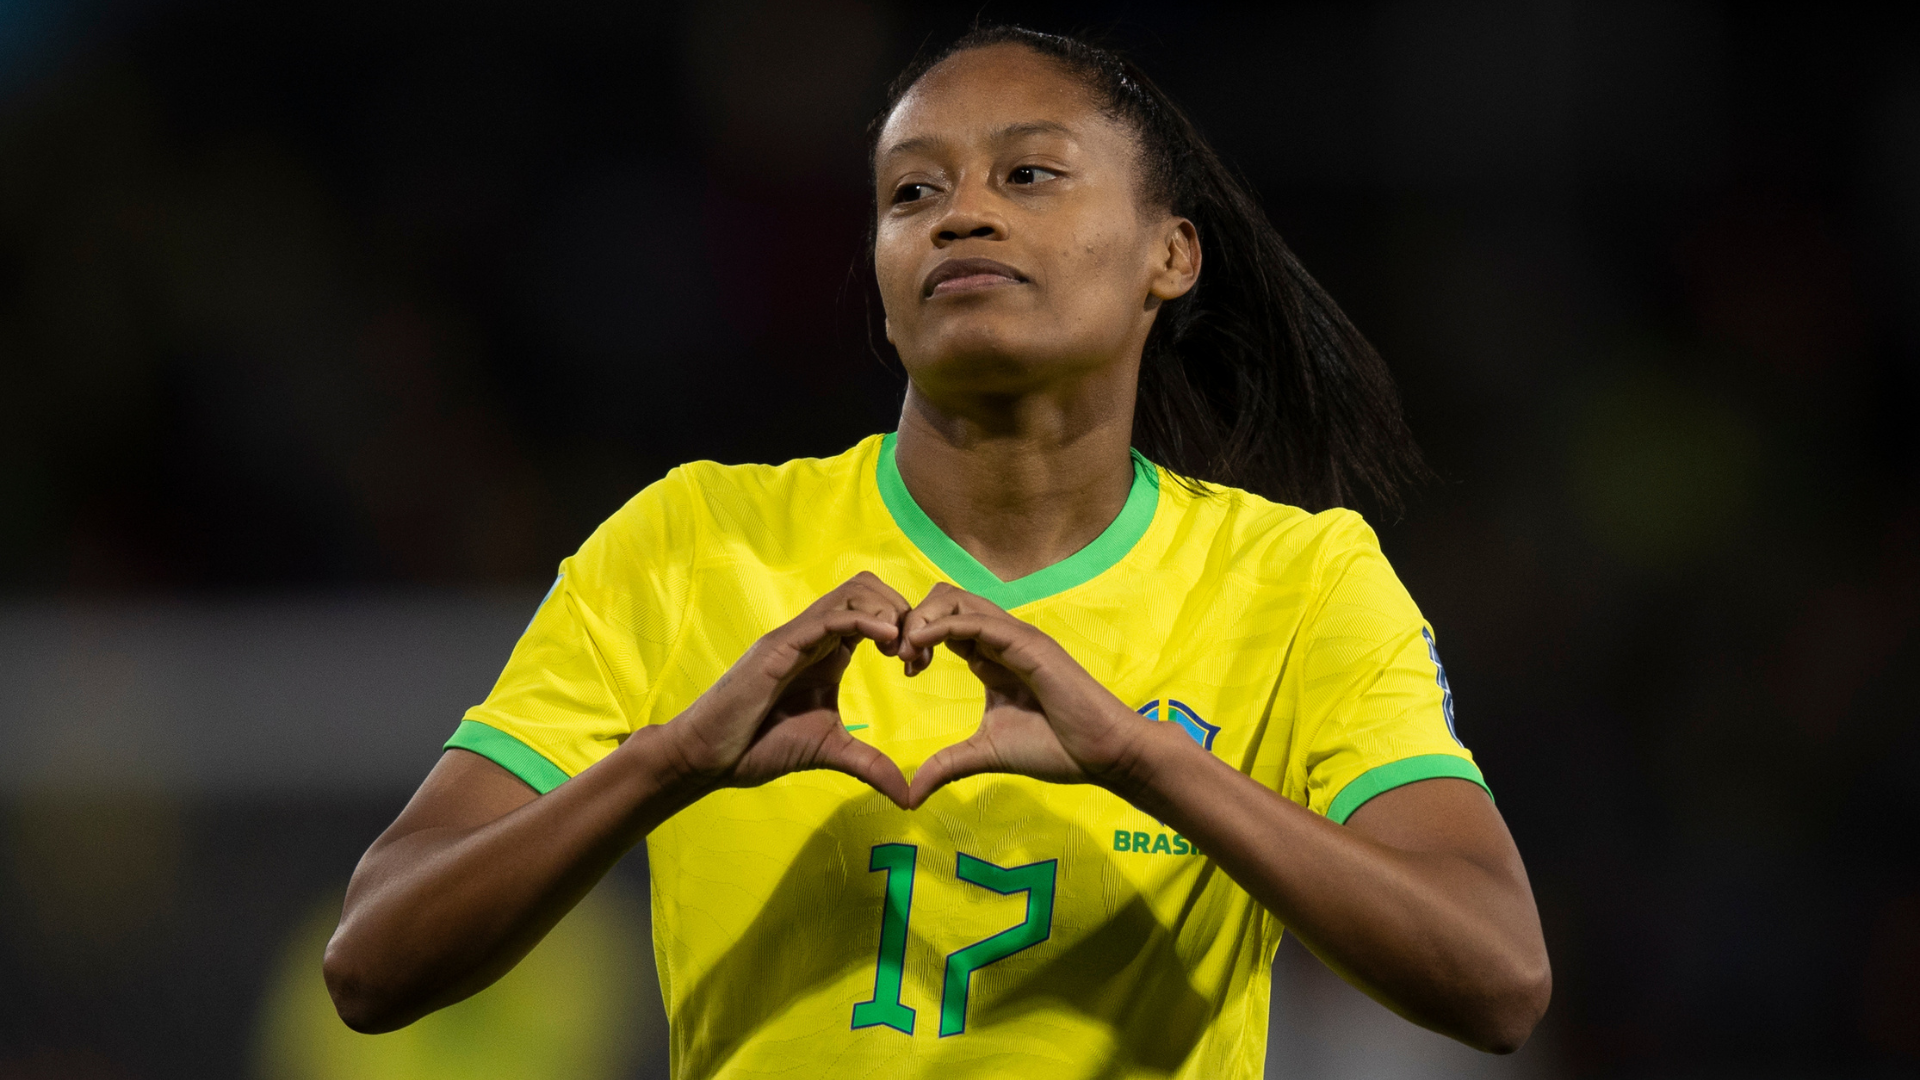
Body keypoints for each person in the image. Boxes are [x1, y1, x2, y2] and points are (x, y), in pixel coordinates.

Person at [323, 25, 1550, 1079]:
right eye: (911, 193)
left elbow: (1496, 978)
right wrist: (667, 765)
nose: (961, 212)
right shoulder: (691, 543)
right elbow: (373, 962)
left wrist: (1142, 757)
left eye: (1028, 174)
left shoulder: (1298, 583)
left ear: (1170, 254)